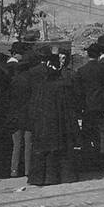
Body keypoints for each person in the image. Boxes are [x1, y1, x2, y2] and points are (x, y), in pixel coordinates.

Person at [27, 45, 80, 186]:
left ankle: (39, 178)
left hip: (43, 122)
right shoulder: (61, 86)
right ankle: (59, 177)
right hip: (58, 123)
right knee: (60, 150)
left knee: (42, 150)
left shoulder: (40, 87)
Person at [7, 47, 37, 178]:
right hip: (29, 115)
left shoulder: (13, 81)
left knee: (16, 145)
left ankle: (14, 170)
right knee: (28, 144)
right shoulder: (32, 81)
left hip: (15, 116)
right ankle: (28, 170)